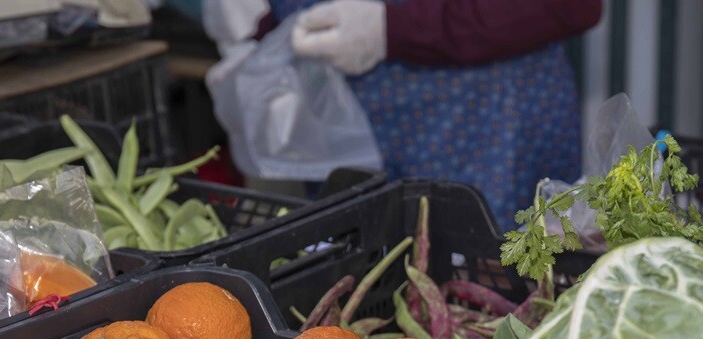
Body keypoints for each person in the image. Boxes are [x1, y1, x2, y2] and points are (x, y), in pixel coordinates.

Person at [258, 0, 603, 230]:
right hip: (344, 130)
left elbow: (570, 6)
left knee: (482, 305)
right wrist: (264, 35)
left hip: (482, 132)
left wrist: (388, 28)